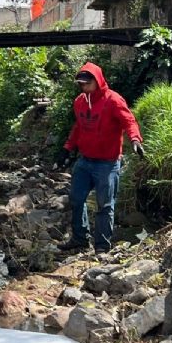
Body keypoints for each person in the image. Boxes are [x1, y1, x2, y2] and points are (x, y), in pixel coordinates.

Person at [57, 62, 144, 254]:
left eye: (87, 83)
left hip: (108, 162)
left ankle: (102, 247)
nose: (84, 87)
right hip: (85, 160)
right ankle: (79, 238)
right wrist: (67, 148)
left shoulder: (113, 100)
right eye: (81, 84)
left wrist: (136, 140)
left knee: (104, 205)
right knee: (76, 199)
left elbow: (129, 121)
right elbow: (78, 127)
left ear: (97, 81)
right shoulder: (79, 101)